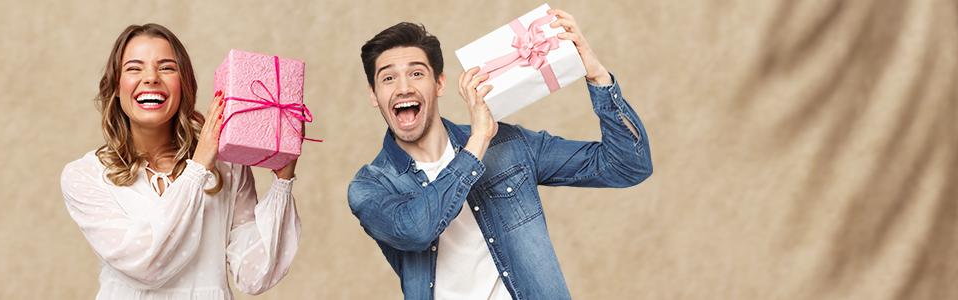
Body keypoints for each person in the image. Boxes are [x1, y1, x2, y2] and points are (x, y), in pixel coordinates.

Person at [346, 10, 652, 299]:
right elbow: (417, 230)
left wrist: (598, 76)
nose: (403, 88)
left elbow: (628, 166)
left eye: (416, 73)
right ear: (374, 95)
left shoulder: (510, 144)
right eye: (388, 78)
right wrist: (478, 142)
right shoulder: (369, 187)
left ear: (439, 84)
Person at [60, 23, 301, 299]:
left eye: (166, 67)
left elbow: (252, 277)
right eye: (134, 68)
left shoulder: (227, 165)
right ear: (116, 87)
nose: (151, 78)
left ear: (184, 84)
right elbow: (145, 266)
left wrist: (282, 179)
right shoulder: (85, 175)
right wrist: (197, 169)